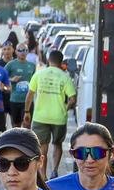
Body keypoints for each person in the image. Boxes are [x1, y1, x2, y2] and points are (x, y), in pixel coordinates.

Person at [24, 50, 76, 179]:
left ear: (48, 59)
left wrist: (26, 111)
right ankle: (55, 171)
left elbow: (30, 94)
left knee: (42, 147)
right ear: (61, 62)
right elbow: (73, 98)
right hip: (59, 117)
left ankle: (43, 175)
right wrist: (65, 108)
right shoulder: (65, 76)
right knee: (57, 144)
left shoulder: (39, 74)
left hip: (40, 117)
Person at [5, 43, 36, 128]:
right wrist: (12, 79)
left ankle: (25, 141)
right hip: (15, 100)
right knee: (16, 126)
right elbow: (1, 78)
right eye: (20, 50)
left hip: (28, 101)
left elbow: (35, 82)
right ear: (16, 51)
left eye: (25, 50)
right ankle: (16, 141)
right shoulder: (11, 64)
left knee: (27, 125)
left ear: (28, 52)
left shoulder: (32, 65)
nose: (23, 52)